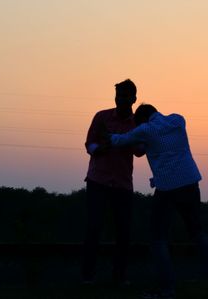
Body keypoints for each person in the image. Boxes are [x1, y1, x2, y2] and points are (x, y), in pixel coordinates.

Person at [109, 104, 208, 299]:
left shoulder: (145, 130)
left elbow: (120, 141)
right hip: (190, 182)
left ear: (142, 120)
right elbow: (164, 146)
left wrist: (108, 136)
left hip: (167, 187)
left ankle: (167, 289)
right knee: (197, 231)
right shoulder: (178, 120)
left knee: (158, 238)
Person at [81, 79, 143, 286]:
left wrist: (119, 140)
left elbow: (140, 151)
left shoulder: (138, 123)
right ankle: (87, 277)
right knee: (93, 228)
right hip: (98, 180)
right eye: (119, 96)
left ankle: (119, 278)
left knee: (123, 232)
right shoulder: (101, 116)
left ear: (134, 98)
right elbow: (89, 143)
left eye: (125, 96)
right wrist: (100, 148)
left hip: (122, 184)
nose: (121, 100)